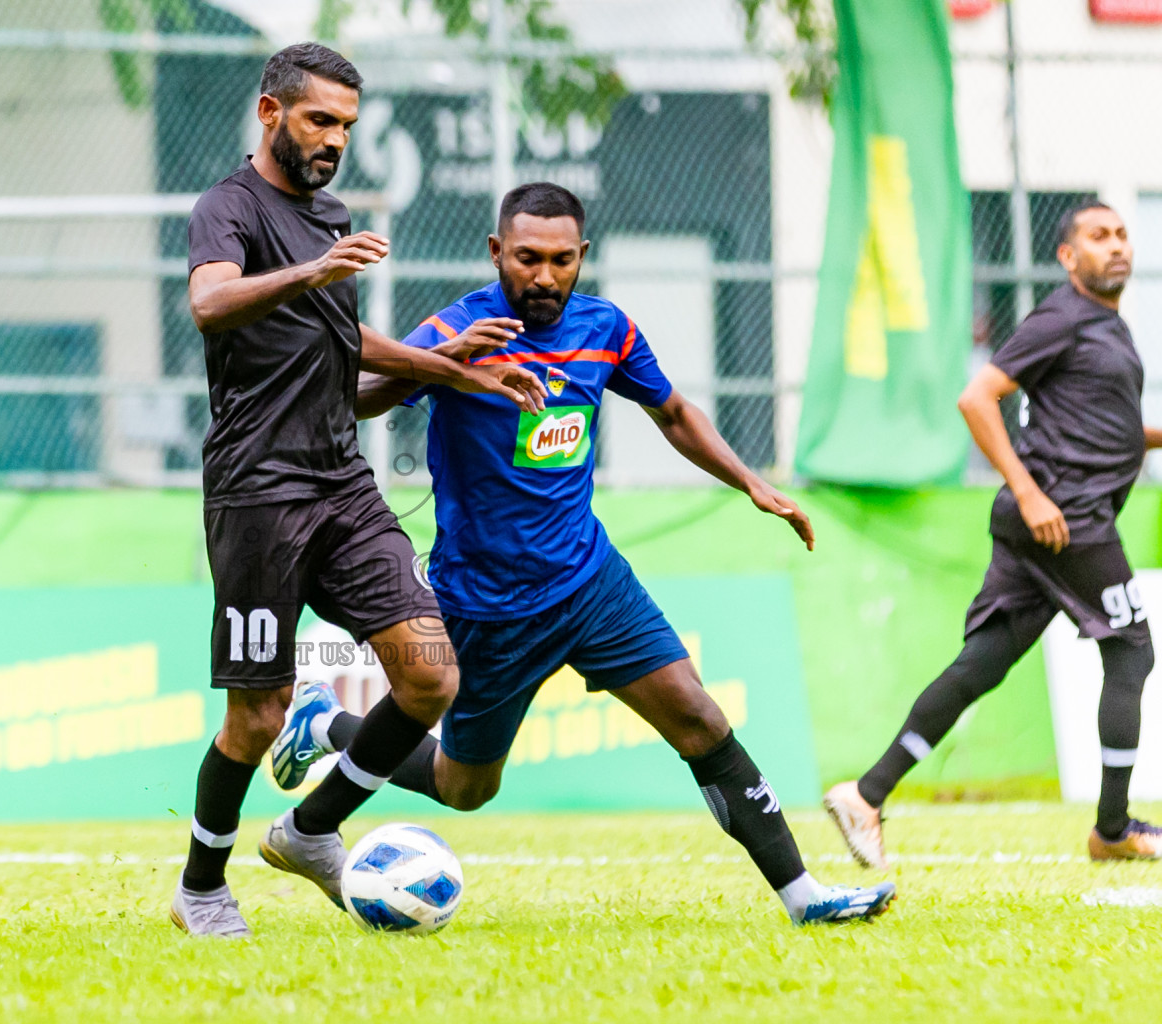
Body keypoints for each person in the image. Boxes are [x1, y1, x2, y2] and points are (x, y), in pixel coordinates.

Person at [272, 182, 897, 925]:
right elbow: (354, 395)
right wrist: (436, 361)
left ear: (582, 257)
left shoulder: (608, 329)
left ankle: (805, 898)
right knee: (467, 786)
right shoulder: (460, 325)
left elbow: (672, 410)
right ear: (497, 252)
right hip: (488, 604)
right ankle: (324, 725)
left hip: (590, 581)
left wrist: (751, 484)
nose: (543, 276)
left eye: (561, 260)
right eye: (527, 258)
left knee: (699, 717)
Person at [172, 43, 549, 938]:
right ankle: (200, 887)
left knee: (431, 677)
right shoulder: (227, 208)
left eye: (346, 124)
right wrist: (318, 270)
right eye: (319, 121)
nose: (336, 139)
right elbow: (210, 305)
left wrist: (448, 367)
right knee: (256, 715)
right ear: (271, 114)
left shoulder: (329, 214)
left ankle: (309, 830)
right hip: (257, 492)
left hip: (343, 484)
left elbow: (343, 338)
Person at [826, 202, 1162, 867]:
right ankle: (1114, 828)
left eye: (1122, 234)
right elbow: (977, 397)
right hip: (1065, 518)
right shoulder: (1061, 318)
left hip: (1053, 521)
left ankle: (866, 795)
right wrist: (1031, 492)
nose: (1116, 246)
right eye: (1098, 237)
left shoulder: (1107, 327)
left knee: (982, 663)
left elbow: (1109, 429)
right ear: (1068, 258)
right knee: (1130, 650)